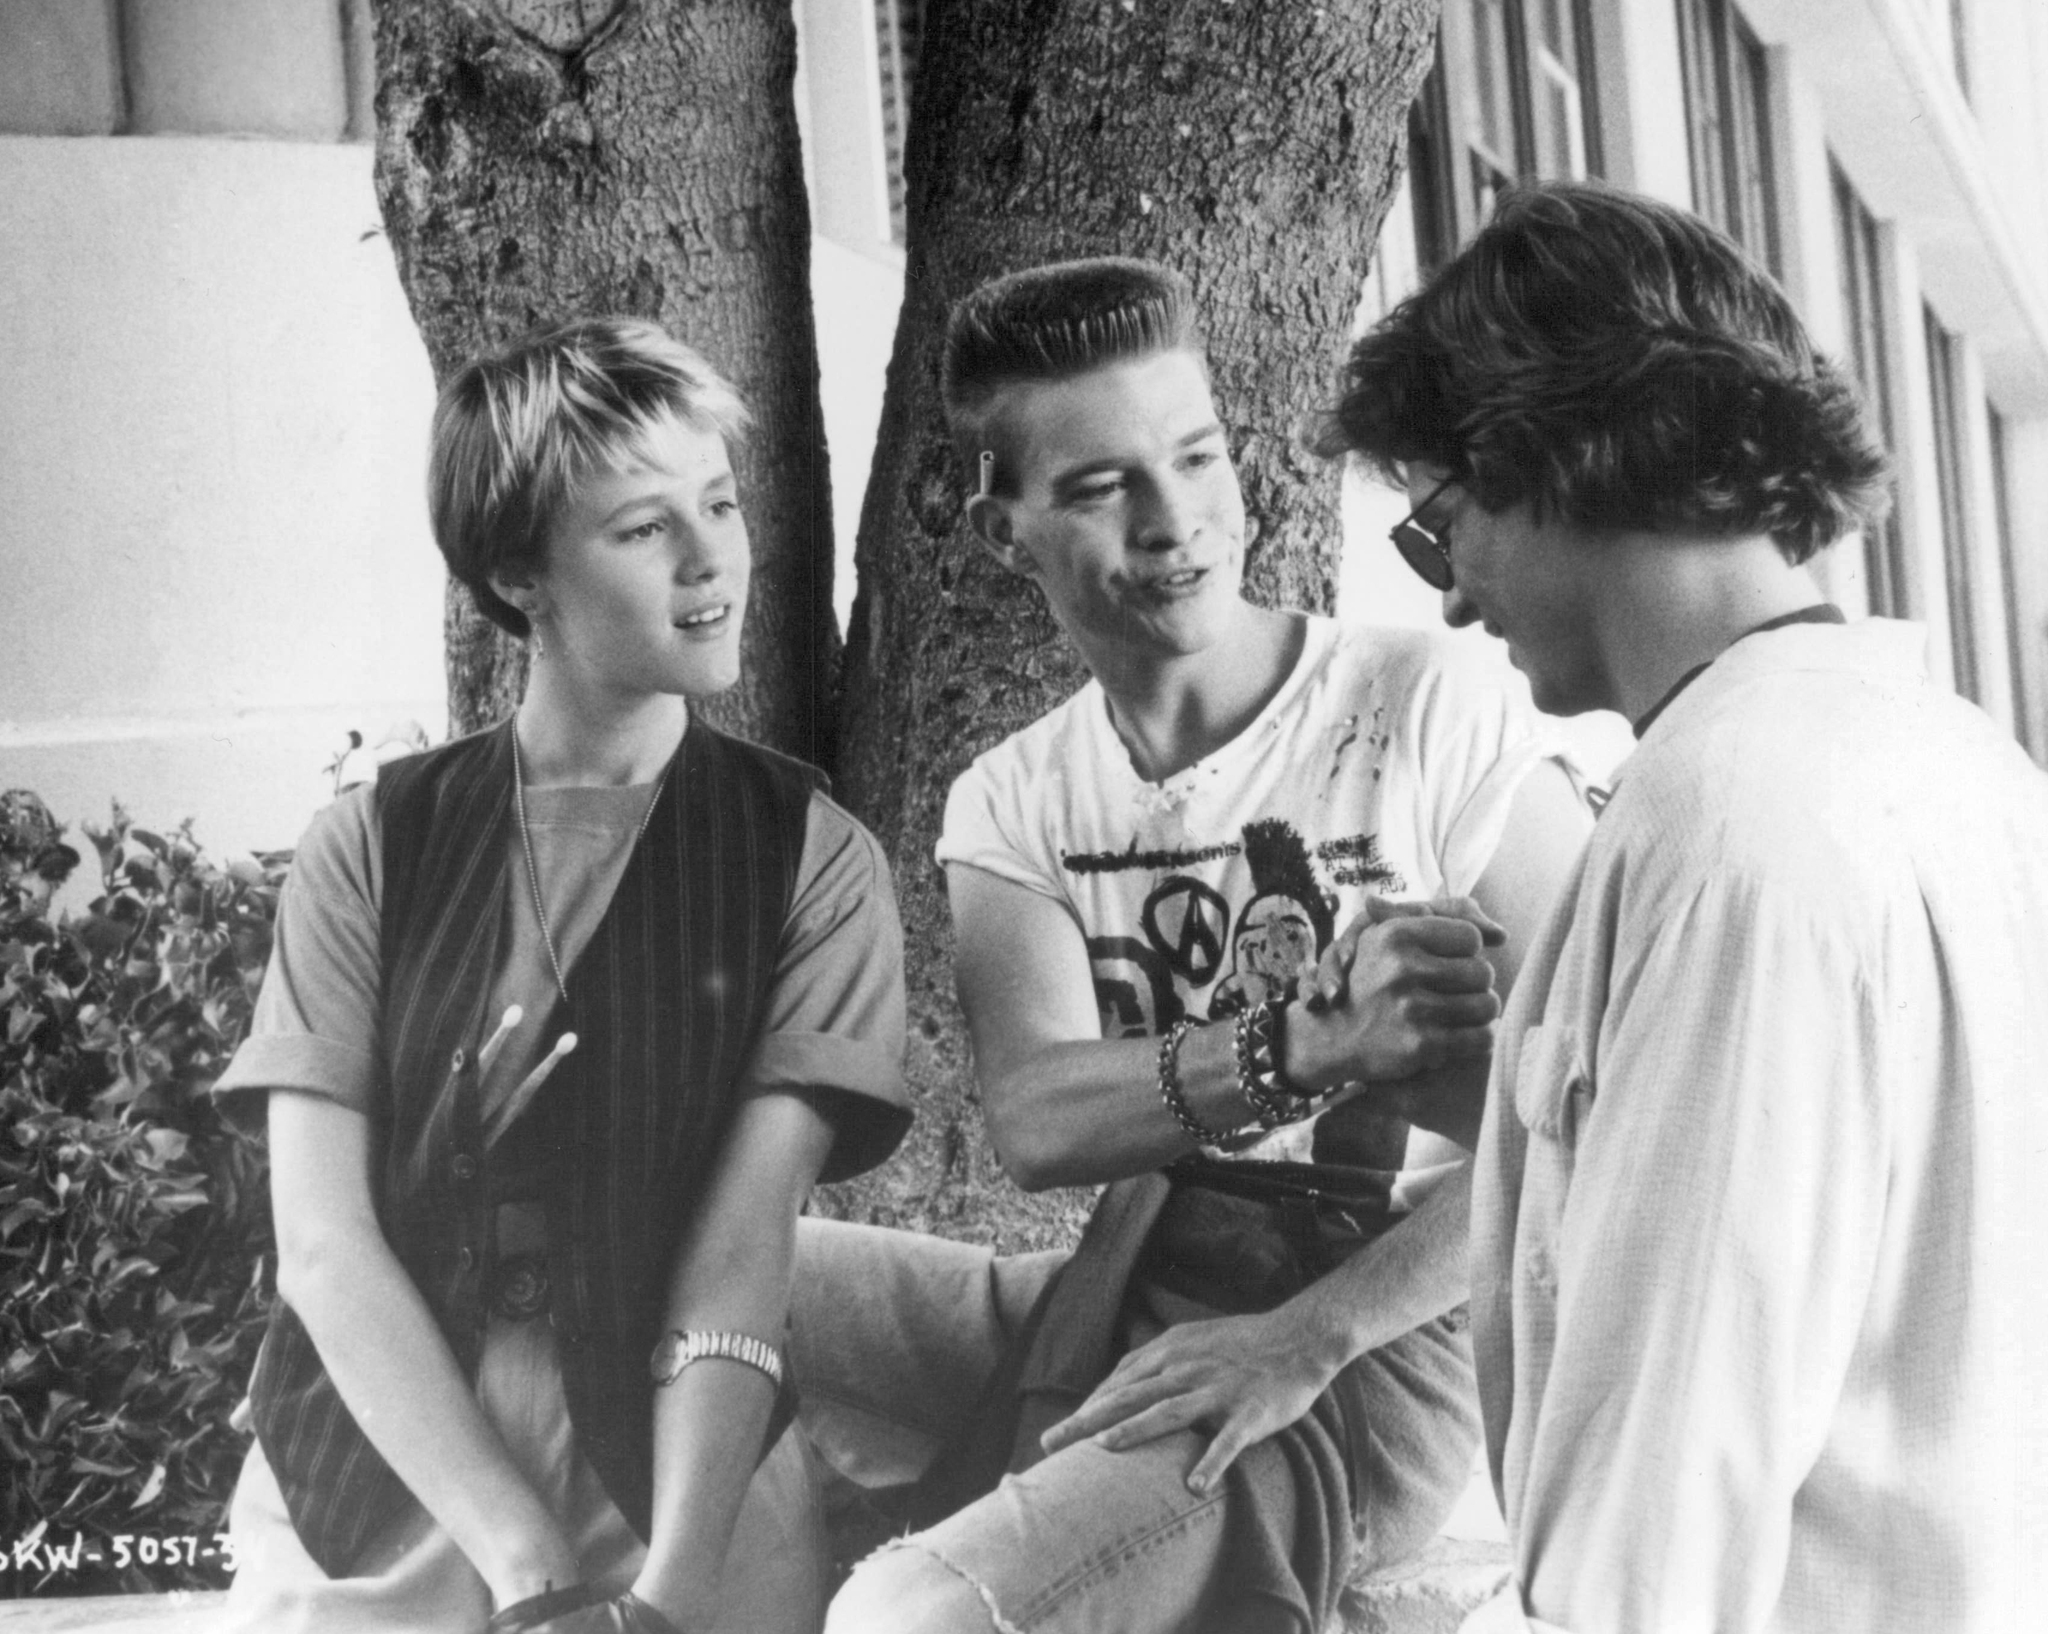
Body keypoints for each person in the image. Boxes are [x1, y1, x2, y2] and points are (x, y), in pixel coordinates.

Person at [797, 258, 1590, 1634]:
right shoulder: (1017, 796)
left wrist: (1305, 1337)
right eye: (1102, 486)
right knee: (682, 1273)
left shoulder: (1427, 703)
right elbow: (1041, 1118)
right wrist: (1305, 1045)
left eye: (1196, 456)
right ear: (1004, 530)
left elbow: (1597, 1115)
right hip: (1136, 1290)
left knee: (911, 1614)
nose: (1174, 523)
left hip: (1374, 1345)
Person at [1317, 180, 2048, 1633]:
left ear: (1552, 452)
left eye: (1440, 526)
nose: (1450, 599)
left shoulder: (1724, 825)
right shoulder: (1969, 767)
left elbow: (1653, 1522)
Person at [212, 317, 910, 1634]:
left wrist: (667, 1600)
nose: (711, 558)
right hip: (385, 1466)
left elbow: (742, 1248)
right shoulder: (369, 847)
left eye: (720, 504)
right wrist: (526, 1564)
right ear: (519, 573)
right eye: (645, 527)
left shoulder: (813, 861)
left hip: (679, 1475)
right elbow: (322, 1243)